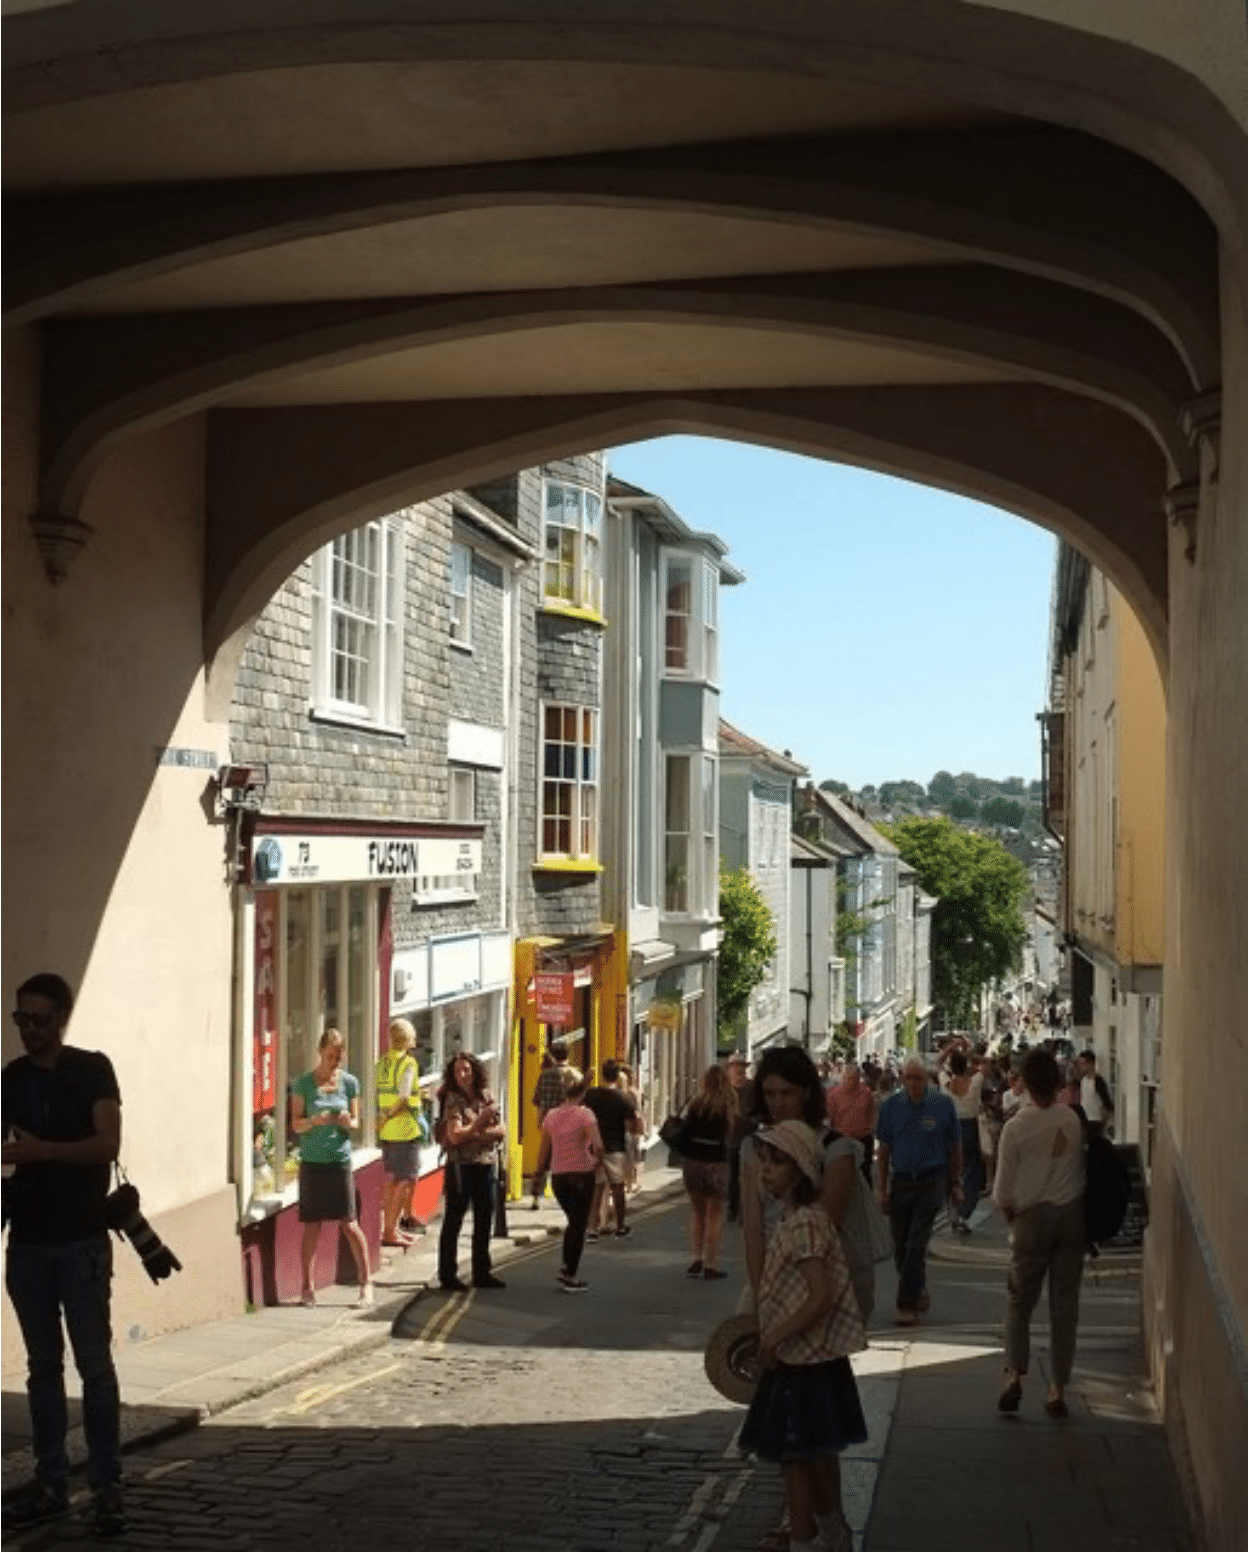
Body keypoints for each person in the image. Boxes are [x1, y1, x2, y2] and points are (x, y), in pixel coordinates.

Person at [2, 973, 126, 1536]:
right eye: (21, 1019)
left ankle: (106, 1487)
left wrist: (42, 1151)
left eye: (39, 1019)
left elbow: (107, 1144)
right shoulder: (10, 1080)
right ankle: (52, 1481)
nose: (29, 1030)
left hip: (80, 1242)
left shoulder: (91, 1069)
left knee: (95, 1369)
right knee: (41, 1370)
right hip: (28, 1245)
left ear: (62, 1019)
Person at [738, 1119, 867, 1553]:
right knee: (803, 1457)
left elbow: (820, 1295)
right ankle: (831, 1533)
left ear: (799, 1170)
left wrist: (774, 1335)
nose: (765, 1171)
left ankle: (804, 1539)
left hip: (804, 1360)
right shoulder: (796, 1219)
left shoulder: (805, 1224)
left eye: (775, 1163)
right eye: (764, 1162)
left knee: (796, 1460)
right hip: (801, 1359)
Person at [742, 1045, 875, 1325]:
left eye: (787, 1093)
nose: (778, 1103)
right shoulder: (753, 1148)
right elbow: (753, 1228)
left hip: (824, 1281)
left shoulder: (836, 1149)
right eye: (769, 1094)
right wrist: (760, 1293)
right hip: (771, 1271)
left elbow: (825, 1230)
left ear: (805, 1092)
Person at [994, 1047, 1087, 1418]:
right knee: (1064, 1307)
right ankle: (1057, 1388)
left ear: (1025, 1084)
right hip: (1071, 1217)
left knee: (1020, 1301)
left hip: (1031, 1220)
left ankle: (1015, 1376)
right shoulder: (1072, 1120)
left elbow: (1002, 1192)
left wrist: (1012, 1218)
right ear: (1058, 1081)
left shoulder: (1015, 1128)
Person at [875, 1055, 962, 1325]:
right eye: (909, 1078)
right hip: (901, 1181)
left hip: (931, 1181)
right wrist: (881, 1190)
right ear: (902, 1078)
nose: (914, 1083)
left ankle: (906, 1304)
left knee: (916, 1244)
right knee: (900, 1247)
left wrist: (955, 1182)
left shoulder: (942, 1104)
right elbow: (884, 1151)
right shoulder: (891, 1107)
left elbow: (954, 1147)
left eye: (919, 1078)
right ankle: (917, 1287)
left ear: (926, 1079)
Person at [291, 1028, 373, 1309]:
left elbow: (357, 1123)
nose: (335, 1062)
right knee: (312, 1227)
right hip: (313, 1163)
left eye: (339, 1057)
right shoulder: (303, 1084)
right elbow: (296, 1124)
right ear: (320, 1051)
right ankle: (307, 1287)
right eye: (330, 1056)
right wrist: (316, 1121)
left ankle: (365, 1284)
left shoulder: (350, 1083)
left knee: (350, 1224)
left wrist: (345, 1120)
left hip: (339, 1161)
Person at [436, 1052, 506, 1292]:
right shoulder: (453, 1099)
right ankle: (447, 1275)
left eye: (466, 1069)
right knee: (454, 1220)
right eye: (457, 1071)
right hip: (460, 1167)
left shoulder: (486, 1096)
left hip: (485, 1164)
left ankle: (482, 1272)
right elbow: (454, 1135)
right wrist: (479, 1126)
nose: (462, 1075)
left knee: (484, 1219)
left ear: (475, 1071)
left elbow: (501, 1131)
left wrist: (472, 1133)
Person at [535, 1074, 603, 1292]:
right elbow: (598, 1145)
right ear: (582, 1093)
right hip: (582, 1174)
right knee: (578, 1223)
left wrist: (538, 1174)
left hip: (559, 1177)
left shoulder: (551, 1116)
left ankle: (566, 1268)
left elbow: (544, 1149)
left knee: (573, 1221)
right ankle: (569, 1272)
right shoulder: (585, 1114)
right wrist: (597, 1161)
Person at [678, 1064, 737, 1279]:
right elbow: (730, 1134)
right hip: (716, 1162)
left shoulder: (695, 1103)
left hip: (693, 1161)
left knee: (697, 1212)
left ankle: (696, 1259)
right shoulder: (728, 1104)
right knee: (714, 1215)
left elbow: (684, 1127)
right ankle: (711, 1264)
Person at [375, 1017, 423, 1247]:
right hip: (404, 1129)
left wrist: (382, 1118)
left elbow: (379, 1092)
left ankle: (390, 1229)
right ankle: (390, 1230)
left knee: (392, 1181)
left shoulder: (382, 1063)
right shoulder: (408, 1063)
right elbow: (404, 1097)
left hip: (387, 1132)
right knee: (404, 1181)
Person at [585, 1059, 638, 1238]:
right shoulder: (624, 1099)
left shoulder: (591, 1096)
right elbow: (633, 1126)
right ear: (617, 1075)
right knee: (617, 1189)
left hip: (595, 1147)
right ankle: (620, 1227)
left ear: (602, 1074)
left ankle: (592, 1228)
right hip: (616, 1148)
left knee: (596, 1189)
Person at [529, 1038, 581, 1209]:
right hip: (569, 1123)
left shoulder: (545, 1075)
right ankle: (569, 1196)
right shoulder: (575, 1075)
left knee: (543, 1161)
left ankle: (536, 1196)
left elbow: (538, 1100)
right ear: (568, 1054)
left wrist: (540, 1119)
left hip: (548, 1122)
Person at [939, 1047, 984, 1234]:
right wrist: (968, 1051)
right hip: (969, 1127)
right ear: (966, 1066)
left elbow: (937, 1063)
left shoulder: (946, 1083)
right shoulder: (975, 1083)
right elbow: (984, 1064)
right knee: (973, 1171)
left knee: (952, 1172)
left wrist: (951, 1046)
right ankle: (964, 1210)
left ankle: (952, 1212)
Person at [825, 1063, 877, 1185]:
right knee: (843, 1175)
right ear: (843, 1079)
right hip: (843, 1139)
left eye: (856, 1078)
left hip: (863, 1139)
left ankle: (866, 1200)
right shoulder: (834, 1094)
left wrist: (869, 1129)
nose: (853, 1082)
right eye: (849, 1079)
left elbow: (872, 1113)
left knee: (865, 1173)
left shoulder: (866, 1092)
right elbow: (830, 1118)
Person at [725, 1053, 755, 1222]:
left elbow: (760, 1112)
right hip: (730, 1138)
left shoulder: (752, 1088)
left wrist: (750, 1120)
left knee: (748, 1176)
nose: (738, 1070)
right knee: (732, 1177)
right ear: (729, 1070)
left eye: (741, 1066)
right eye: (734, 1067)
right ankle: (733, 1208)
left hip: (748, 1137)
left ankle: (746, 1209)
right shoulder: (725, 1090)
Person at [1077, 1050, 1115, 1139]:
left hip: (1096, 1120)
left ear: (1090, 1063)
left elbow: (1107, 1102)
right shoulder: (1083, 1080)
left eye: (1083, 1063)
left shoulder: (1098, 1081)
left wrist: (1105, 1120)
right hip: (1085, 1119)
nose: (1081, 1066)